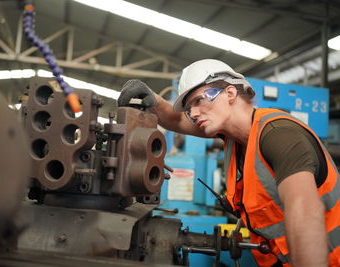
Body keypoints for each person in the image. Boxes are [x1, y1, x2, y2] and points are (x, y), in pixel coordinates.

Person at [117, 59, 340, 267]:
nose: (193, 114)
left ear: (230, 93)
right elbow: (176, 119)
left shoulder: (279, 135)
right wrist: (152, 99)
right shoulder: (234, 140)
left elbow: (305, 215)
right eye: (189, 108)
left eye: (198, 100)